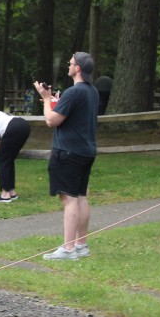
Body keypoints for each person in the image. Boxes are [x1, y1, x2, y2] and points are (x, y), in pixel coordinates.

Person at [34, 52, 99, 260]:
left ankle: (68, 249)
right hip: (86, 150)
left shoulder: (74, 91)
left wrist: (46, 100)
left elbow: (51, 120)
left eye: (70, 64)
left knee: (69, 199)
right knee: (80, 196)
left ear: (77, 68)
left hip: (68, 151)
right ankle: (81, 245)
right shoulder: (92, 91)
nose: (68, 66)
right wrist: (56, 102)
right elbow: (72, 113)